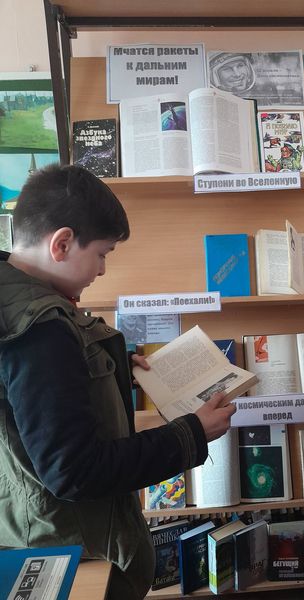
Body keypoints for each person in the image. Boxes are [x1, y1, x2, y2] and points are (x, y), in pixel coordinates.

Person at [0, 164, 236, 600]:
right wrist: (192, 433)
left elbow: (35, 398)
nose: (104, 270)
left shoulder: (20, 300)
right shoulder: (41, 329)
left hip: (52, 536)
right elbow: (75, 471)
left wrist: (109, 368)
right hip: (77, 550)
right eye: (102, 254)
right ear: (62, 243)